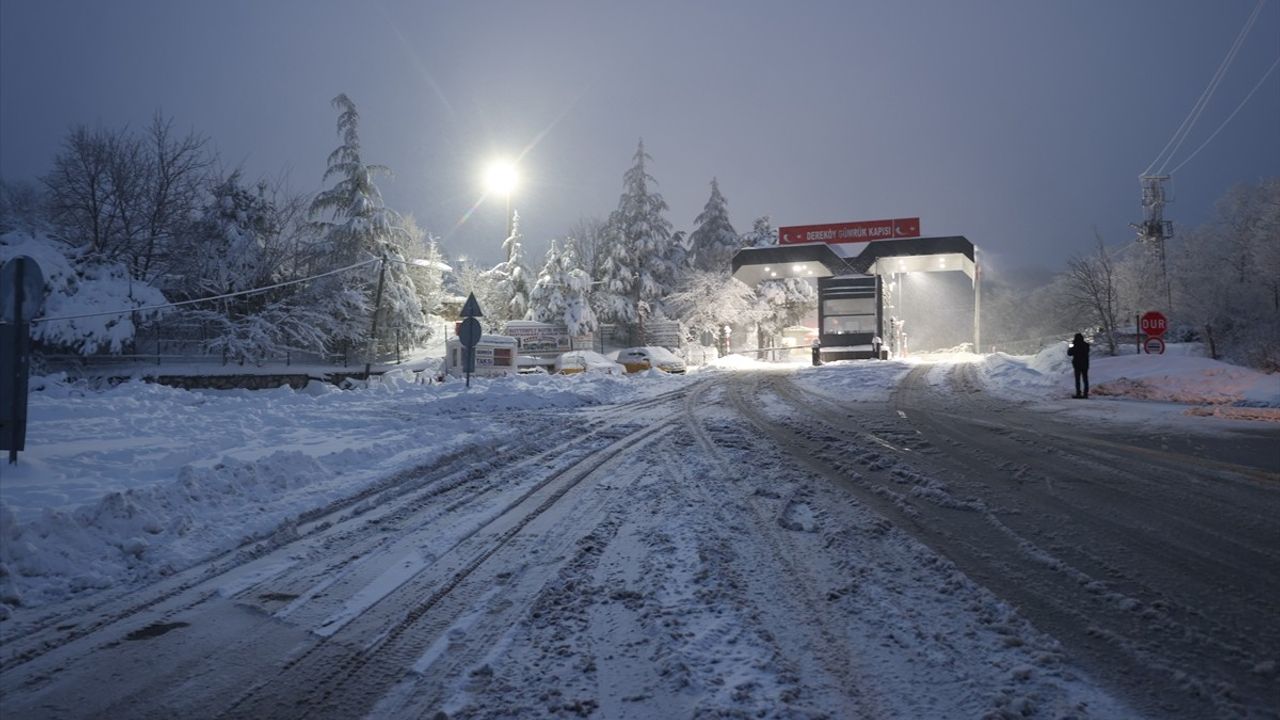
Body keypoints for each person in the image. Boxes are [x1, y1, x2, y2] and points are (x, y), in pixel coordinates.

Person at [1067, 332, 1090, 398]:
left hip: (1077, 364)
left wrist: (1070, 346)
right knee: (1085, 379)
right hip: (1085, 364)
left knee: (1077, 380)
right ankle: (1085, 394)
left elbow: (1069, 353)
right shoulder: (1086, 345)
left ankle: (1078, 393)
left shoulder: (1075, 345)